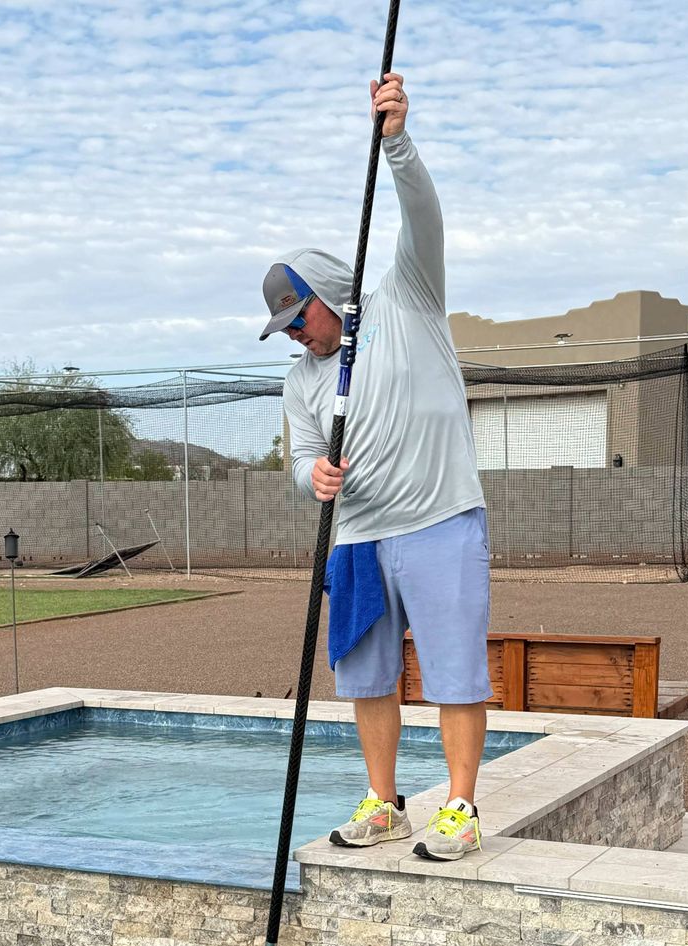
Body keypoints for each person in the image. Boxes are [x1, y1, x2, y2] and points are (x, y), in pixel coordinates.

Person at [259, 72, 490, 863]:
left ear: (325, 294)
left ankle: (459, 807)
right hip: (356, 538)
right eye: (284, 328)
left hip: (438, 520)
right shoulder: (302, 380)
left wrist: (396, 143)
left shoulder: (406, 297)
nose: (294, 335)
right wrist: (311, 479)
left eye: (298, 319)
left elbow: (421, 215)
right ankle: (384, 802)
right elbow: (298, 458)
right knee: (366, 679)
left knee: (455, 671)